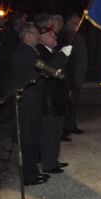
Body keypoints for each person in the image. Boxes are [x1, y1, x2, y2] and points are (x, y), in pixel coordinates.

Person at [11, 23, 49, 186]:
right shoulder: (24, 52)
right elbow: (36, 72)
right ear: (27, 35)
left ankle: (33, 171)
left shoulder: (31, 50)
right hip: (27, 101)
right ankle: (28, 175)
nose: (38, 36)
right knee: (28, 137)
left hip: (33, 100)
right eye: (35, 33)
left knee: (33, 136)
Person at [37, 26, 73, 174]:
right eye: (51, 36)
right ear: (42, 38)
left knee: (56, 132)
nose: (55, 38)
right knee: (49, 133)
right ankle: (48, 163)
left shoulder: (51, 51)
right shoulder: (40, 51)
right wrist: (62, 55)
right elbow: (48, 69)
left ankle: (53, 159)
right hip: (48, 100)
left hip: (57, 99)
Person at [63, 14, 88, 135]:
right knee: (68, 102)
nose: (77, 25)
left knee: (74, 103)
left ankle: (71, 124)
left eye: (79, 23)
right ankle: (66, 127)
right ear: (68, 23)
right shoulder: (67, 36)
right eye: (75, 23)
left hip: (78, 74)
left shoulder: (78, 37)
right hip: (71, 75)